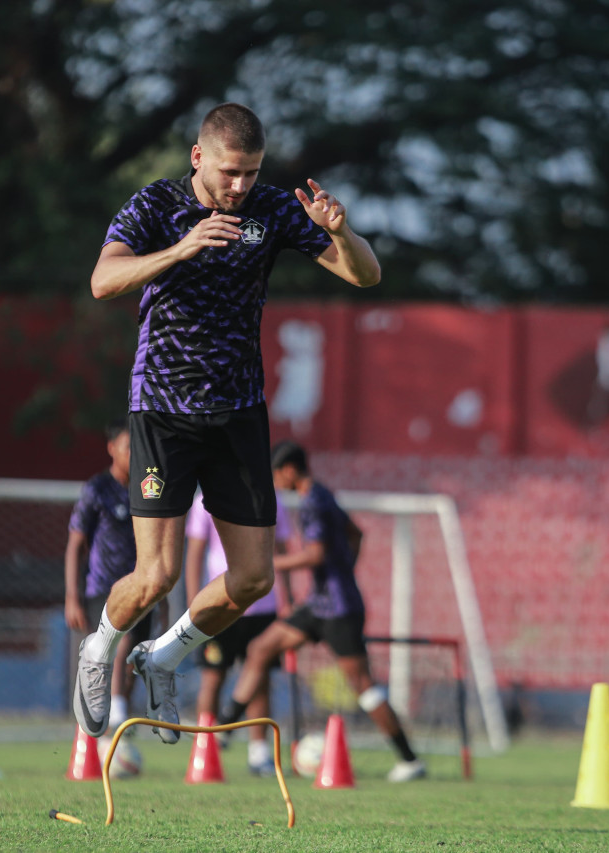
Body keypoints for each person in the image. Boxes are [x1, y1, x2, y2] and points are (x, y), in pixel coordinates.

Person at [74, 102, 380, 744]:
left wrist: (341, 233)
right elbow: (103, 281)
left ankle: (163, 655)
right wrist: (180, 249)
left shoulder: (272, 210)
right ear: (198, 158)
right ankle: (101, 647)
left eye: (251, 172)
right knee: (155, 574)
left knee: (254, 578)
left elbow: (364, 275)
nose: (239, 186)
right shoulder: (155, 206)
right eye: (229, 173)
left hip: (239, 410)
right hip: (162, 410)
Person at [216, 440, 427, 782]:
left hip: (339, 610)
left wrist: (271, 563)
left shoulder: (313, 500)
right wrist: (344, 572)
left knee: (362, 684)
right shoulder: (324, 495)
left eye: (276, 474)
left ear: (289, 470)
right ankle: (225, 730)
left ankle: (410, 760)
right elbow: (356, 534)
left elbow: (315, 555)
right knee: (260, 649)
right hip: (319, 603)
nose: (275, 481)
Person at [184, 489, 295, 774]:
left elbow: (279, 550)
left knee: (260, 679)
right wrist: (194, 601)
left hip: (263, 605)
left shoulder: (270, 498)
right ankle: (205, 749)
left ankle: (259, 753)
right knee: (213, 676)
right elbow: (195, 551)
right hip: (220, 602)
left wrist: (288, 599)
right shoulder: (205, 500)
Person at [64, 419, 165, 732]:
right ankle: (112, 712)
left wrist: (162, 598)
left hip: (144, 588)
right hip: (103, 589)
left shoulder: (148, 488)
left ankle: (121, 724)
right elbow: (75, 545)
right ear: (111, 449)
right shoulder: (97, 489)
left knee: (135, 653)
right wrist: (72, 597)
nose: (134, 454)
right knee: (118, 642)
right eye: (127, 447)